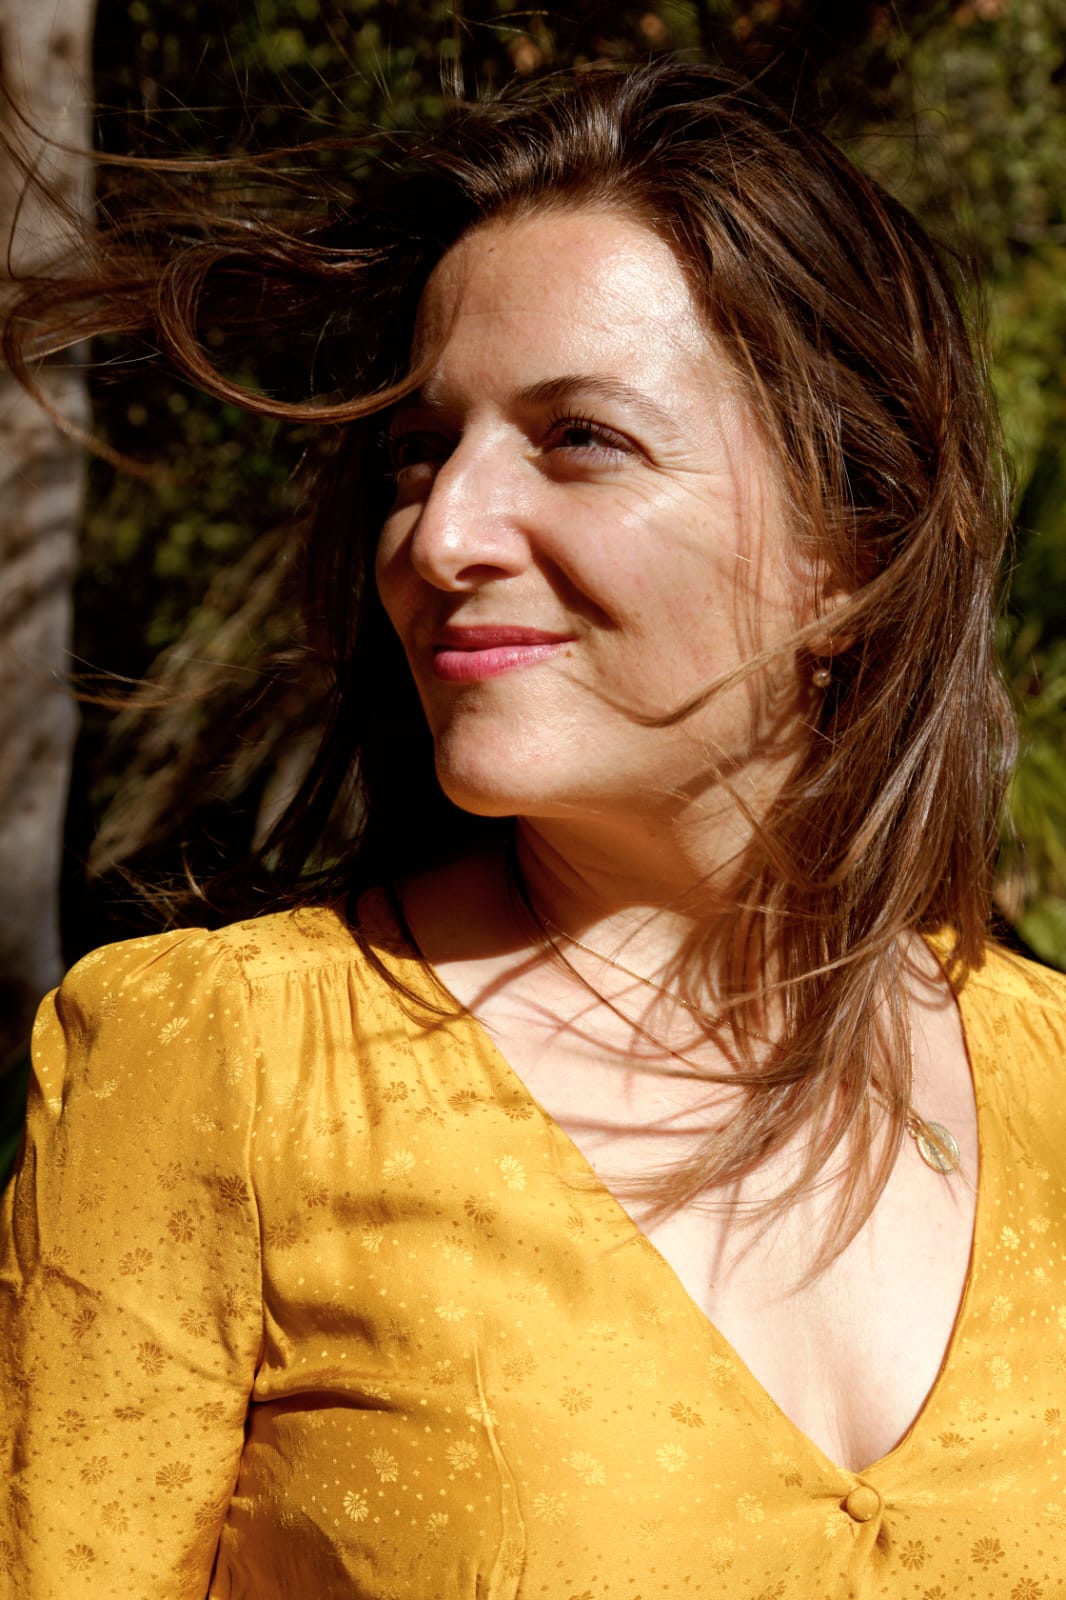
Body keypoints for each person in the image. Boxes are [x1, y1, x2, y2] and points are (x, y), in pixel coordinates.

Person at [2, 58, 1065, 1599]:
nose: (439, 536)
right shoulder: (227, 1065)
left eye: (579, 439)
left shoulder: (1050, 1083)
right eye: (420, 449)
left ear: (853, 545)